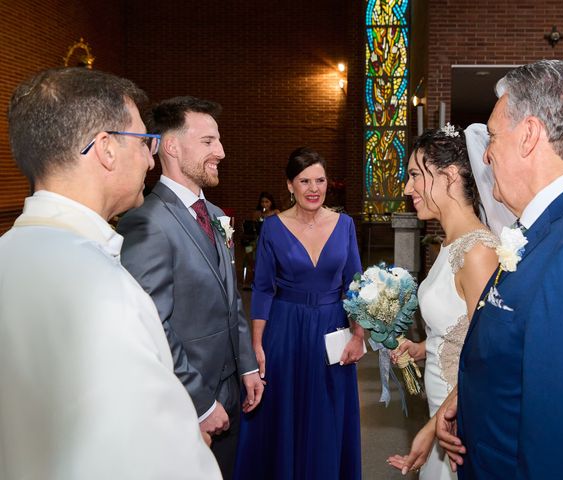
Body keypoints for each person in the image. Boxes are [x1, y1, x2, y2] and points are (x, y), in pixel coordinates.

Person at [0, 68, 220, 479]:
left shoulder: (7, 253)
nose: (151, 158)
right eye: (144, 141)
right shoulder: (105, 292)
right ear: (106, 149)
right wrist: (184, 444)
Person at [437, 60, 563, 479]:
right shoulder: (555, 224)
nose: (487, 152)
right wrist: (473, 396)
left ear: (528, 135)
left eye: (493, 135)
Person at [117, 96, 262, 479]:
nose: (222, 152)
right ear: (172, 147)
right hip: (186, 400)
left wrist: (246, 366)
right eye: (209, 141)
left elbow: (231, 300)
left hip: (230, 388)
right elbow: (152, 326)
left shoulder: (215, 215)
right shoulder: (145, 224)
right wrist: (199, 403)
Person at [386, 124, 513, 478]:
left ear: (450, 175)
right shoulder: (449, 243)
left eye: (415, 175)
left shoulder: (478, 251)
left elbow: (489, 353)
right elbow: (466, 327)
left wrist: (434, 426)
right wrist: (424, 347)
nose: (408, 188)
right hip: (441, 403)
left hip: (461, 413)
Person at [234, 147, 366, 479]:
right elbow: (263, 288)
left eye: (320, 180)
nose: (313, 188)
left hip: (333, 327)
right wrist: (257, 344)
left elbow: (355, 284)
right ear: (290, 185)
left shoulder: (345, 224)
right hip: (285, 329)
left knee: (328, 413)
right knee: (284, 414)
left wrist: (359, 335)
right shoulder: (273, 228)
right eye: (304, 181)